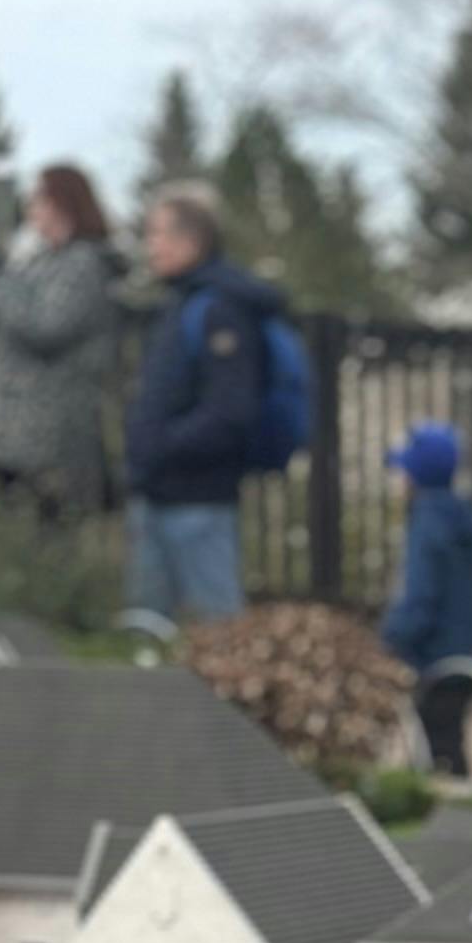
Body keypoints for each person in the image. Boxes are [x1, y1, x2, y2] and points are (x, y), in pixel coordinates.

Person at [124, 180, 282, 627]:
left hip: (198, 497)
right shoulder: (181, 302)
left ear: (191, 240)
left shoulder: (220, 309)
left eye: (158, 234)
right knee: (147, 632)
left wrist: (162, 446)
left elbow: (230, 412)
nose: (150, 246)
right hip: (158, 490)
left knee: (217, 629)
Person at [0, 163, 122, 515]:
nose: (30, 208)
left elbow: (47, 326)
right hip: (16, 431)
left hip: (46, 433)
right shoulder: (43, 259)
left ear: (63, 204)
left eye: (39, 199)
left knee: (46, 525)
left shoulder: (82, 264)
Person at [378, 422, 472, 774]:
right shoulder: (459, 515)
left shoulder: (427, 522)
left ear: (416, 476)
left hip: (434, 654)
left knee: (437, 754)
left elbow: (420, 594)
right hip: (463, 649)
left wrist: (392, 639)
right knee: (449, 743)